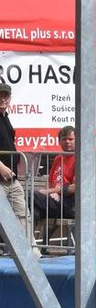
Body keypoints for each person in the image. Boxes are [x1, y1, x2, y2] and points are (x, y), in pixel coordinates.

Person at [0, 84, 39, 257]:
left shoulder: (5, 117)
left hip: (12, 179)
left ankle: (31, 252)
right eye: (0, 95)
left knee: (23, 214)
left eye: (6, 96)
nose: (3, 99)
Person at [33, 126, 76, 232]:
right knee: (32, 210)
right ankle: (28, 242)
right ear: (59, 141)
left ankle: (21, 242)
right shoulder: (58, 158)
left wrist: (52, 192)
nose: (67, 142)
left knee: (31, 197)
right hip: (52, 201)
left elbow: (74, 188)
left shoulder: (79, 159)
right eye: (64, 139)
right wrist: (50, 193)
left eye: (70, 139)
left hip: (67, 203)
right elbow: (50, 182)